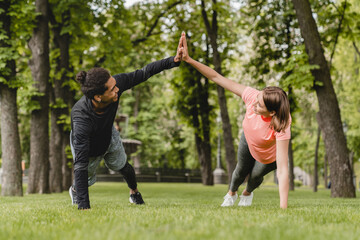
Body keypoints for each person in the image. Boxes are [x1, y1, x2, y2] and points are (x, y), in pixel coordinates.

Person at [178, 32, 291, 209]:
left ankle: (247, 192)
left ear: (272, 112)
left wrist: (283, 208)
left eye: (260, 105)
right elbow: (217, 78)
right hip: (249, 140)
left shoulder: (282, 124)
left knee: (255, 177)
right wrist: (189, 60)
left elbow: (283, 170)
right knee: (239, 172)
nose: (254, 103)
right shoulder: (253, 96)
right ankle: (231, 193)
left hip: (268, 156)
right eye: (257, 98)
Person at [69, 40, 183, 210]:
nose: (117, 90)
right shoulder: (81, 118)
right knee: (85, 178)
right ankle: (75, 190)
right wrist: (84, 207)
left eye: (116, 86)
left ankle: (134, 193)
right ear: (98, 97)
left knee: (124, 167)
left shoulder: (116, 84)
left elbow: (144, 73)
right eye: (112, 90)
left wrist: (173, 61)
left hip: (109, 135)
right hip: (89, 148)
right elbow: (80, 164)